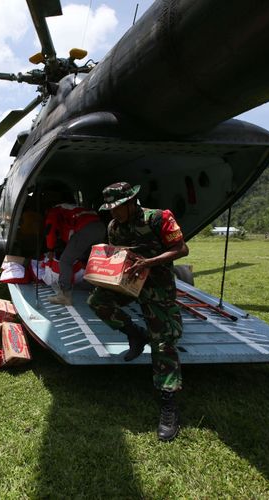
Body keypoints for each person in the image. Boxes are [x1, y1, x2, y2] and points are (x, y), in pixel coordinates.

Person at [87, 182, 189, 441]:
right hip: (131, 282)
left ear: (132, 202)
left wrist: (150, 262)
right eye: (110, 209)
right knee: (98, 301)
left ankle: (168, 404)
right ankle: (134, 334)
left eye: (118, 208)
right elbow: (117, 255)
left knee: (164, 341)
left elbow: (181, 249)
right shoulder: (114, 227)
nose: (114, 214)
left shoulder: (159, 218)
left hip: (158, 287)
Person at [44, 200, 106, 305]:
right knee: (89, 260)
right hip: (100, 228)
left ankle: (65, 296)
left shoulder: (53, 212)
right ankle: (93, 287)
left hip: (86, 229)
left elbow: (50, 230)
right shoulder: (70, 208)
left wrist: (50, 249)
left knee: (65, 261)